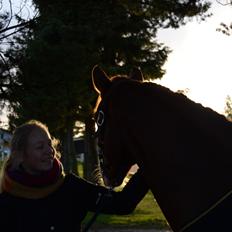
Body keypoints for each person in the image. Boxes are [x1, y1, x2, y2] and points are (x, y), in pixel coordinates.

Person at [0, 120, 149, 232]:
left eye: (49, 144)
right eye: (40, 147)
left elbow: (122, 203)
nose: (49, 150)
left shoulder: (71, 187)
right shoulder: (6, 202)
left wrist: (149, 162)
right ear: (20, 155)